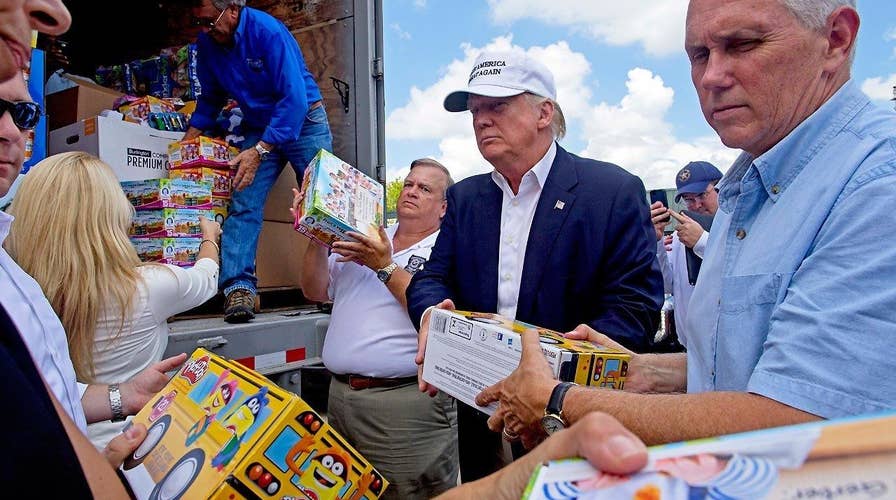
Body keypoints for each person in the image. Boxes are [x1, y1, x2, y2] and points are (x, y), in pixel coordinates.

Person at [477, 0, 896, 448]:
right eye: (699, 55)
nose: (712, 76)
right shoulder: (750, 186)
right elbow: (740, 369)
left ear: (836, 39)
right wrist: (641, 372)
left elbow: (802, 421)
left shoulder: (877, 180)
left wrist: (560, 401)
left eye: (743, 44)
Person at [406, 50, 664, 481]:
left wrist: (554, 378)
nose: (481, 120)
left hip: (571, 421)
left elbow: (633, 310)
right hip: (480, 413)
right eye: (475, 111)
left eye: (497, 106)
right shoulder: (467, 198)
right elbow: (432, 276)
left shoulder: (611, 191)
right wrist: (433, 311)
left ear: (545, 112)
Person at [5, 151, 221, 449]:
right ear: (111, 215)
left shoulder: (18, 290)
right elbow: (206, 279)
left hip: (62, 451)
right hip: (130, 449)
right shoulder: (147, 287)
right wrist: (209, 236)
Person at [298, 159, 459, 499]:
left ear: (444, 207)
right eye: (410, 184)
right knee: (345, 493)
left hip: (402, 404)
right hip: (341, 396)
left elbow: (439, 318)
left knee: (407, 493)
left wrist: (383, 266)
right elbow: (314, 290)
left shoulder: (446, 250)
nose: (412, 191)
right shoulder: (366, 235)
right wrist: (315, 234)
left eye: (425, 188)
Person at [185, 0, 333, 323]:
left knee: (323, 204)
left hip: (303, 117)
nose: (205, 31)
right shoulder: (208, 44)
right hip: (258, 123)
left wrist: (260, 150)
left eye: (210, 22)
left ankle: (334, 285)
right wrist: (183, 147)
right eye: (200, 24)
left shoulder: (268, 33)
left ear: (233, 10)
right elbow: (210, 99)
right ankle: (239, 288)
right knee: (244, 197)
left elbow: (293, 99)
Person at [650, 161, 722, 347]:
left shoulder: (739, 229)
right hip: (688, 347)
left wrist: (702, 242)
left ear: (720, 189)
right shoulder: (678, 236)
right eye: (689, 199)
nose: (696, 205)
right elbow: (668, 284)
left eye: (701, 195)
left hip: (723, 349)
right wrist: (657, 240)